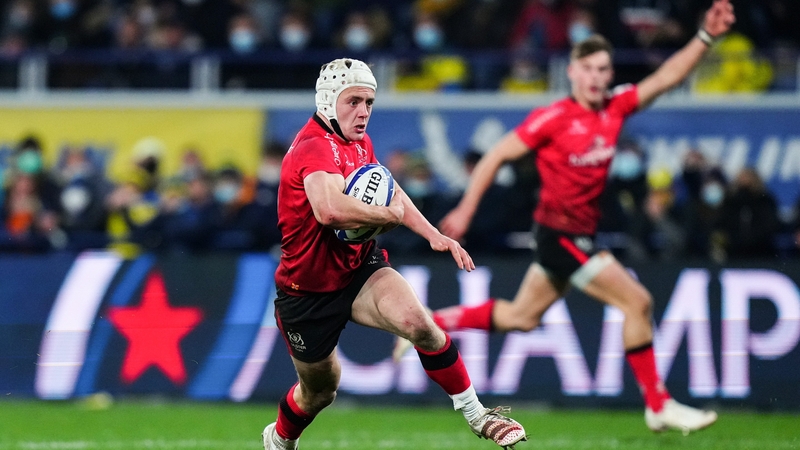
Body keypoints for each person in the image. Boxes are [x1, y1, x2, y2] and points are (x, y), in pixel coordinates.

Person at [396, 0, 736, 435]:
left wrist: (705, 36)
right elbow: (497, 153)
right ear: (573, 72)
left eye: (604, 70)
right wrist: (465, 208)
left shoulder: (616, 108)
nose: (597, 78)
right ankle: (658, 404)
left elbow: (668, 76)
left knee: (522, 317)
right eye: (589, 69)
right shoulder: (553, 118)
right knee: (638, 302)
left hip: (574, 234)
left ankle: (434, 322)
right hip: (560, 235)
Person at [261, 58, 527, 450]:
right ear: (328, 100)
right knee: (320, 391)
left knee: (420, 325)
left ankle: (478, 415)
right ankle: (279, 440)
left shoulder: (359, 142)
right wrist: (387, 216)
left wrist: (434, 234)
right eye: (353, 101)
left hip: (358, 270)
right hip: (307, 290)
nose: (363, 111)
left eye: (369, 102)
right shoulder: (313, 147)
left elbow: (390, 189)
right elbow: (329, 210)